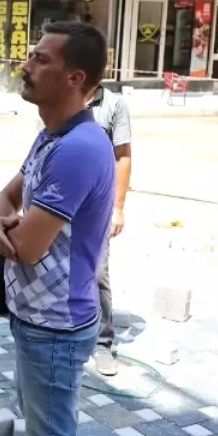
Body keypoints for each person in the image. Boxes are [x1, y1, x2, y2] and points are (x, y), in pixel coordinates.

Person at [0, 21, 114, 436]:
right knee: (42, 424)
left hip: (56, 325)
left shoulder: (82, 148)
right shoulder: (53, 137)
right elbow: (1, 202)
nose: (27, 65)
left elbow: (28, 245)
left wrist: (0, 225)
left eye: (40, 59)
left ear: (75, 78)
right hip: (35, 314)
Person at [86, 83, 132, 376]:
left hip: (97, 207)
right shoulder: (62, 96)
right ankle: (71, 335)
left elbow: (123, 156)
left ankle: (102, 342)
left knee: (97, 272)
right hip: (63, 204)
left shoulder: (114, 105)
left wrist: (118, 207)